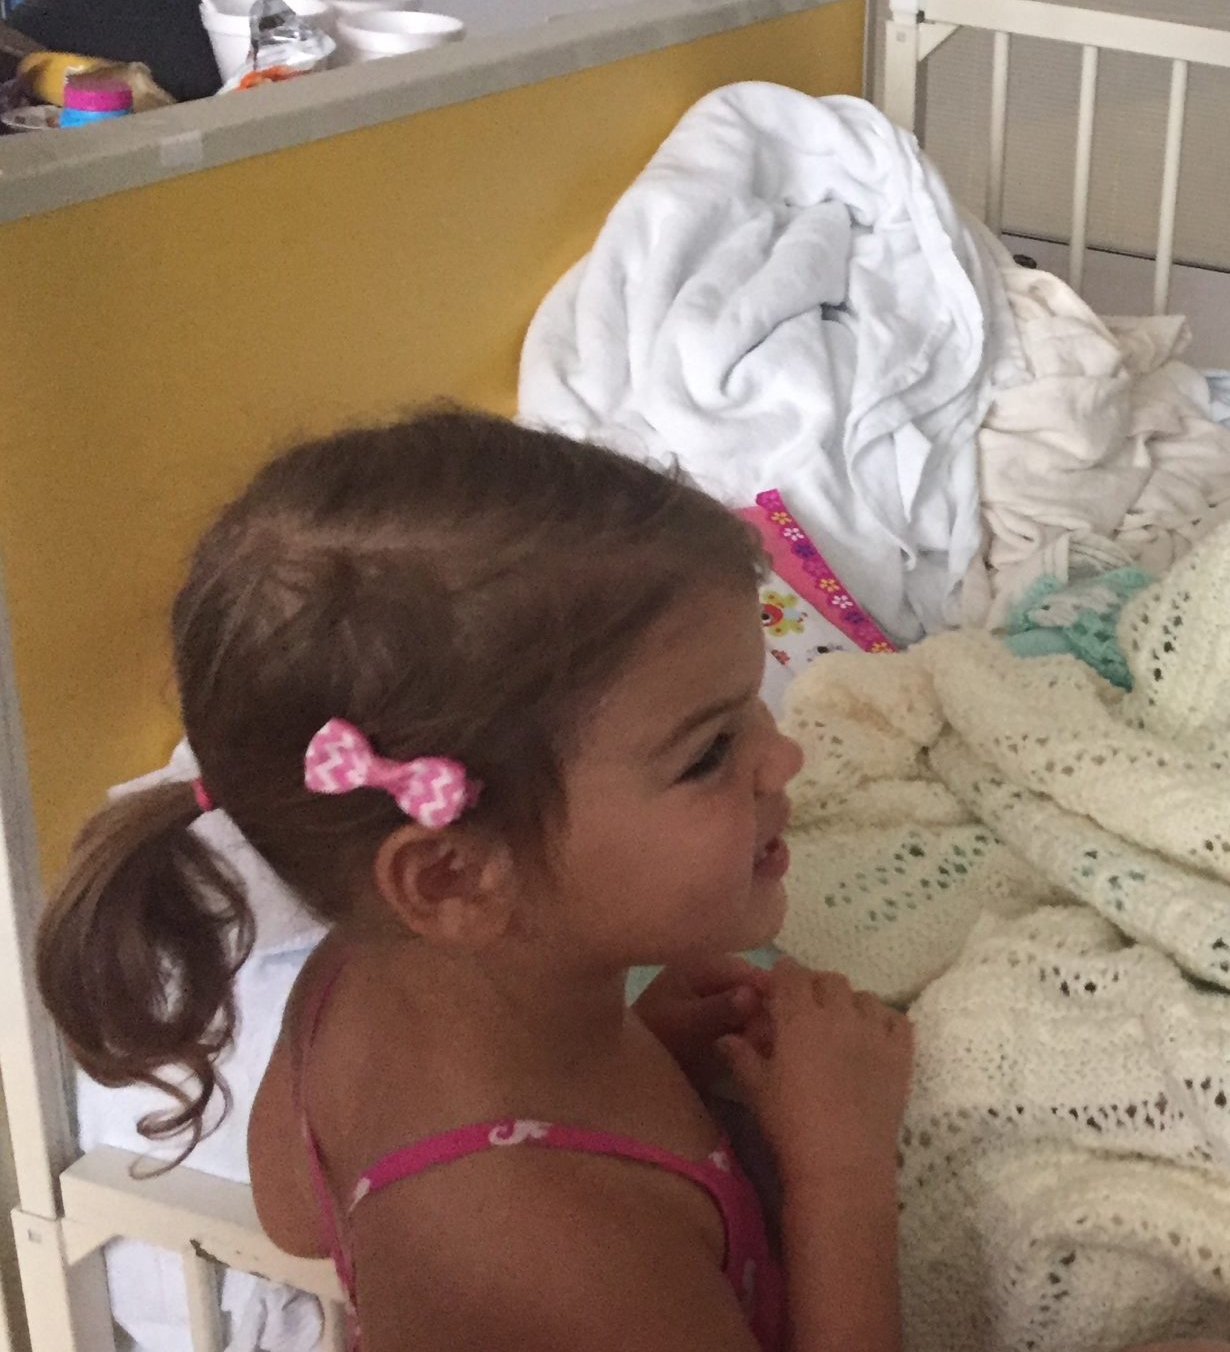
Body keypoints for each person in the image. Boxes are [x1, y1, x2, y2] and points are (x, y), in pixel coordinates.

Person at [37, 411, 901, 1352]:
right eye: (708, 752)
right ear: (451, 876)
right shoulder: (558, 1264)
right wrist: (843, 1173)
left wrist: (646, 1048)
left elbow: (298, 1215)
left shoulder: (349, 980)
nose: (785, 757)